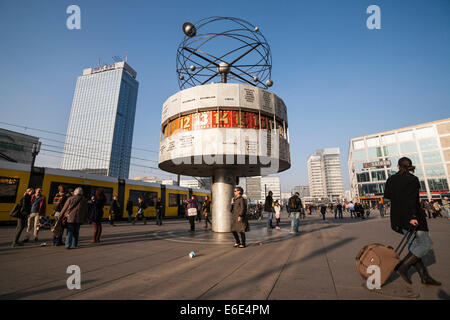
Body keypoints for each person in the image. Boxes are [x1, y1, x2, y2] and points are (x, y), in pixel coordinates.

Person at [384, 157, 441, 286]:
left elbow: (387, 196)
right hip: (413, 217)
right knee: (425, 245)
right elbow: (412, 200)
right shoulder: (412, 179)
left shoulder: (391, 179)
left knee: (414, 247)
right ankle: (403, 266)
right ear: (410, 166)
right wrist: (413, 216)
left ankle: (424, 277)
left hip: (398, 219)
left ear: (398, 166)